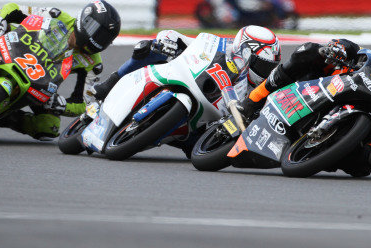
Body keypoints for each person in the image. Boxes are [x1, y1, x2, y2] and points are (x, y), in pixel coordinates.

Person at [239, 40, 371, 177]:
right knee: (310, 52)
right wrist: (341, 48)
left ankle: (315, 154)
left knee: (365, 164)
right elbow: (363, 52)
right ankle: (255, 98)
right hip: (339, 86)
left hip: (365, 124)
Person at [0, 0, 121, 140]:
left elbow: (86, 104)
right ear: (84, 20)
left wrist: (63, 106)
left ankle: (4, 118)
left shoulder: (93, 64)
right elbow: (14, 8)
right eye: (97, 31)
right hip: (12, 49)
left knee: (49, 128)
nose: (99, 39)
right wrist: (0, 19)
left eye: (105, 38)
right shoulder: (56, 15)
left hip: (39, 81)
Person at [90, 25, 282, 156]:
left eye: (269, 67)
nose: (264, 72)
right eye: (261, 65)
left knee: (197, 153)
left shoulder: (259, 91)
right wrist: (168, 40)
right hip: (185, 79)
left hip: (201, 127)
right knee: (146, 49)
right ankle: (109, 84)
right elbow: (177, 36)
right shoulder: (218, 45)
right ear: (243, 50)